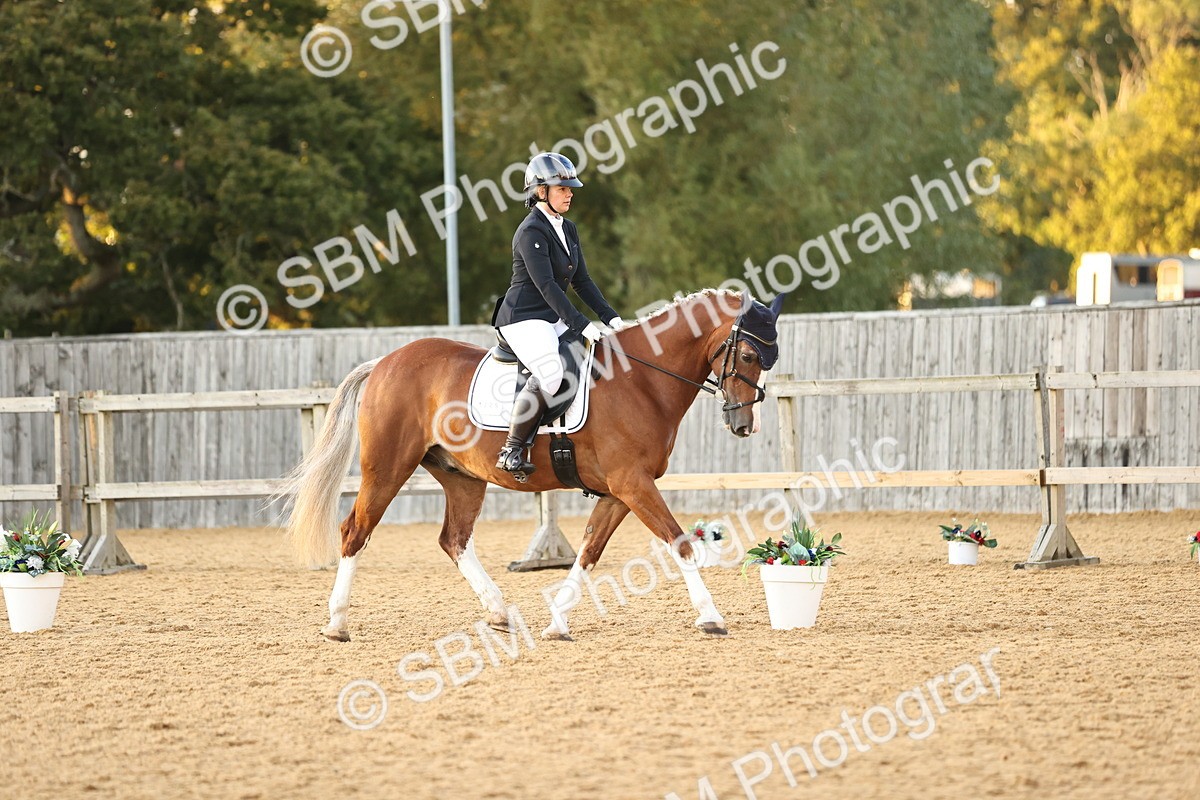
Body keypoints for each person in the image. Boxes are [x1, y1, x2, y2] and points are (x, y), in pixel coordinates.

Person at [491, 152, 625, 476]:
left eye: (570, 189)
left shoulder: (569, 229)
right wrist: (581, 324)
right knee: (551, 376)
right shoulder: (530, 231)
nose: (570, 194)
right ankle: (511, 449)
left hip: (551, 316)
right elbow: (547, 286)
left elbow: (582, 281)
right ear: (541, 192)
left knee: (599, 358)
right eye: (562, 189)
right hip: (523, 318)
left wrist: (611, 318)